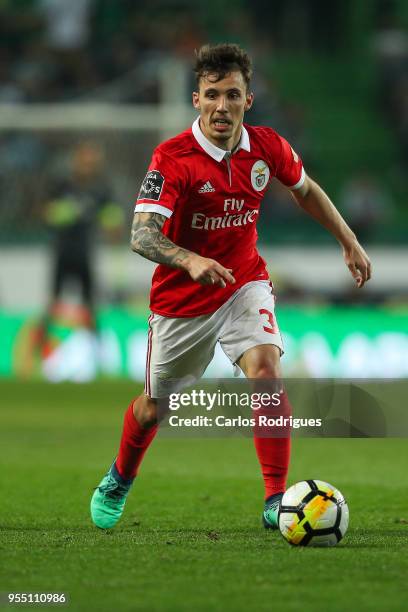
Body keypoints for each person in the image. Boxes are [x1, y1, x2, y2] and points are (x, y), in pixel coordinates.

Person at [90, 43, 371, 530]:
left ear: (249, 99)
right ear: (196, 100)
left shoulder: (266, 147)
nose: (223, 106)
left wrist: (348, 240)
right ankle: (119, 476)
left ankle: (276, 499)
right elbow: (142, 234)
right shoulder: (173, 158)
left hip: (244, 282)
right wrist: (190, 259)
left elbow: (306, 190)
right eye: (212, 95)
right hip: (182, 301)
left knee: (266, 371)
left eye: (233, 95)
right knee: (152, 409)